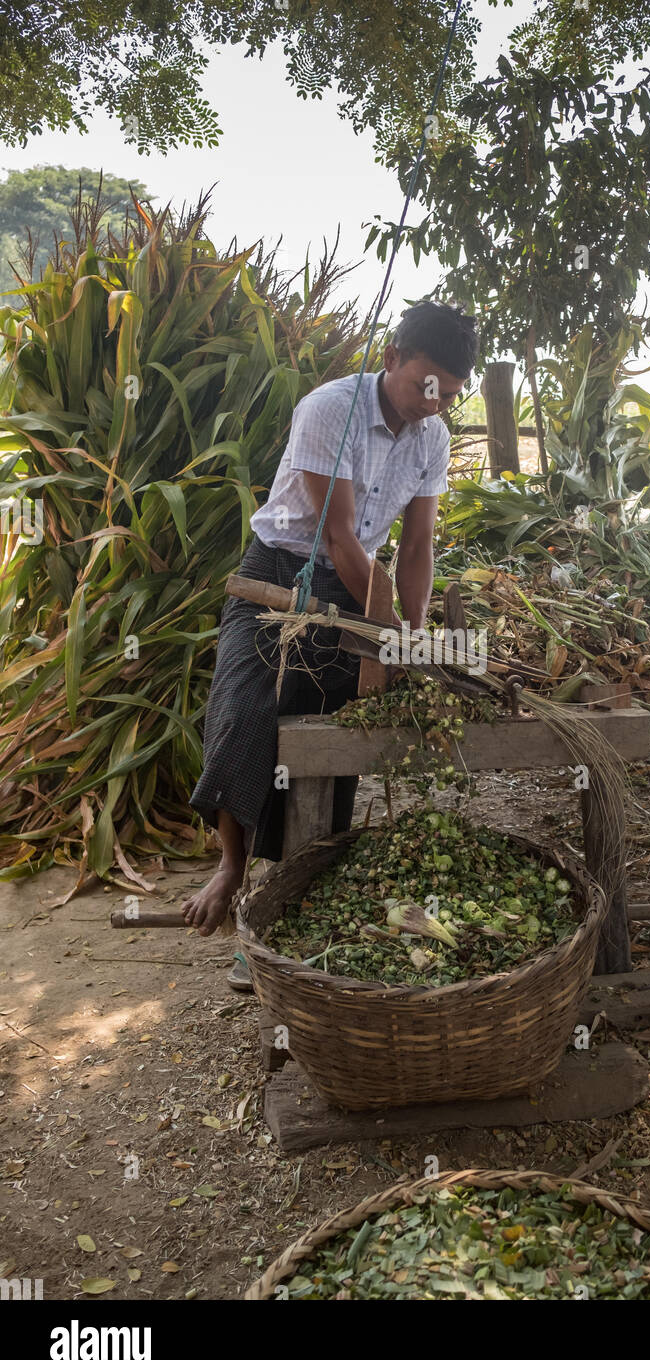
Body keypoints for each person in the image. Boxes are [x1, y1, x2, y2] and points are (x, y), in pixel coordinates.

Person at [182, 300, 478, 986]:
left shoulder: (430, 438)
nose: (431, 404)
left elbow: (419, 544)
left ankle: (293, 898)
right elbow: (341, 535)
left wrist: (412, 631)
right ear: (392, 359)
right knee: (247, 705)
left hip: (357, 586)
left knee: (341, 723)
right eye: (422, 384)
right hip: (279, 574)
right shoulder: (328, 410)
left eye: (446, 394)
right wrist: (383, 629)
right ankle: (231, 868)